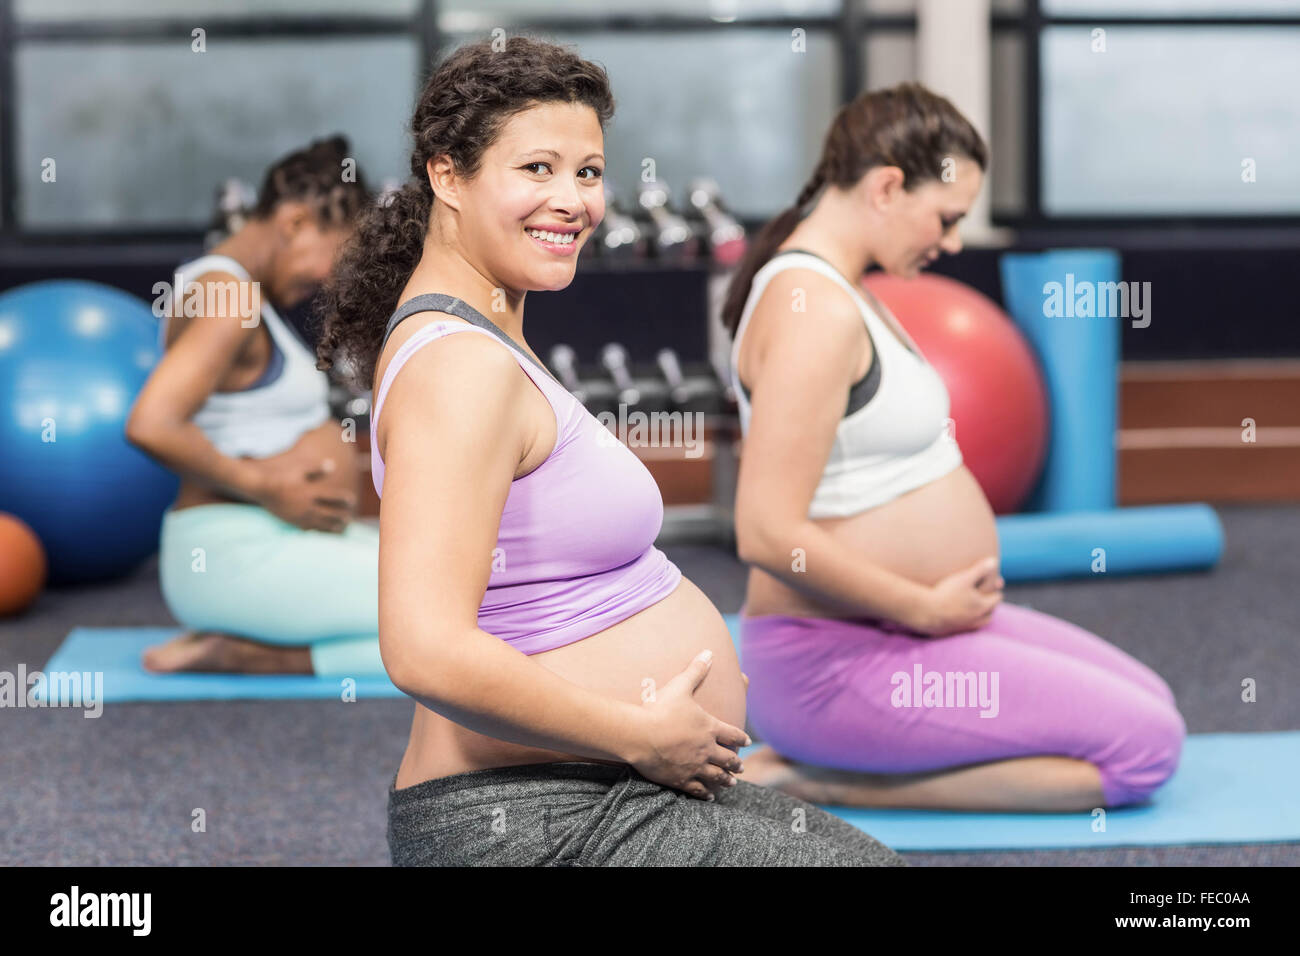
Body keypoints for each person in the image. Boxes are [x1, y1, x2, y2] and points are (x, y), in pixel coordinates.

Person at [316, 37, 904, 866]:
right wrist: (640, 732)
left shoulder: (479, 333)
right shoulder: (460, 367)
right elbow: (422, 647)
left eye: (588, 173)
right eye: (537, 169)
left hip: (592, 785)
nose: (573, 201)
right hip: (531, 817)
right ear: (448, 176)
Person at [723, 83, 1186, 812]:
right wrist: (922, 608)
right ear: (886, 187)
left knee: (1152, 695)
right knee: (1145, 748)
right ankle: (820, 778)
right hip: (838, 659)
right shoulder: (812, 310)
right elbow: (766, 533)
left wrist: (929, 612)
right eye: (947, 216)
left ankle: (837, 754)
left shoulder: (845, 290)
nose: (953, 240)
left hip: (900, 633)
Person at [126, 136, 384, 678]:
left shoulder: (235, 292)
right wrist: (271, 488)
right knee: (472, 613)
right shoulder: (229, 296)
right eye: (333, 256)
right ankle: (260, 655)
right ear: (293, 223)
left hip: (264, 543)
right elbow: (151, 424)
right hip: (236, 554)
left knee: (466, 582)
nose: (329, 280)